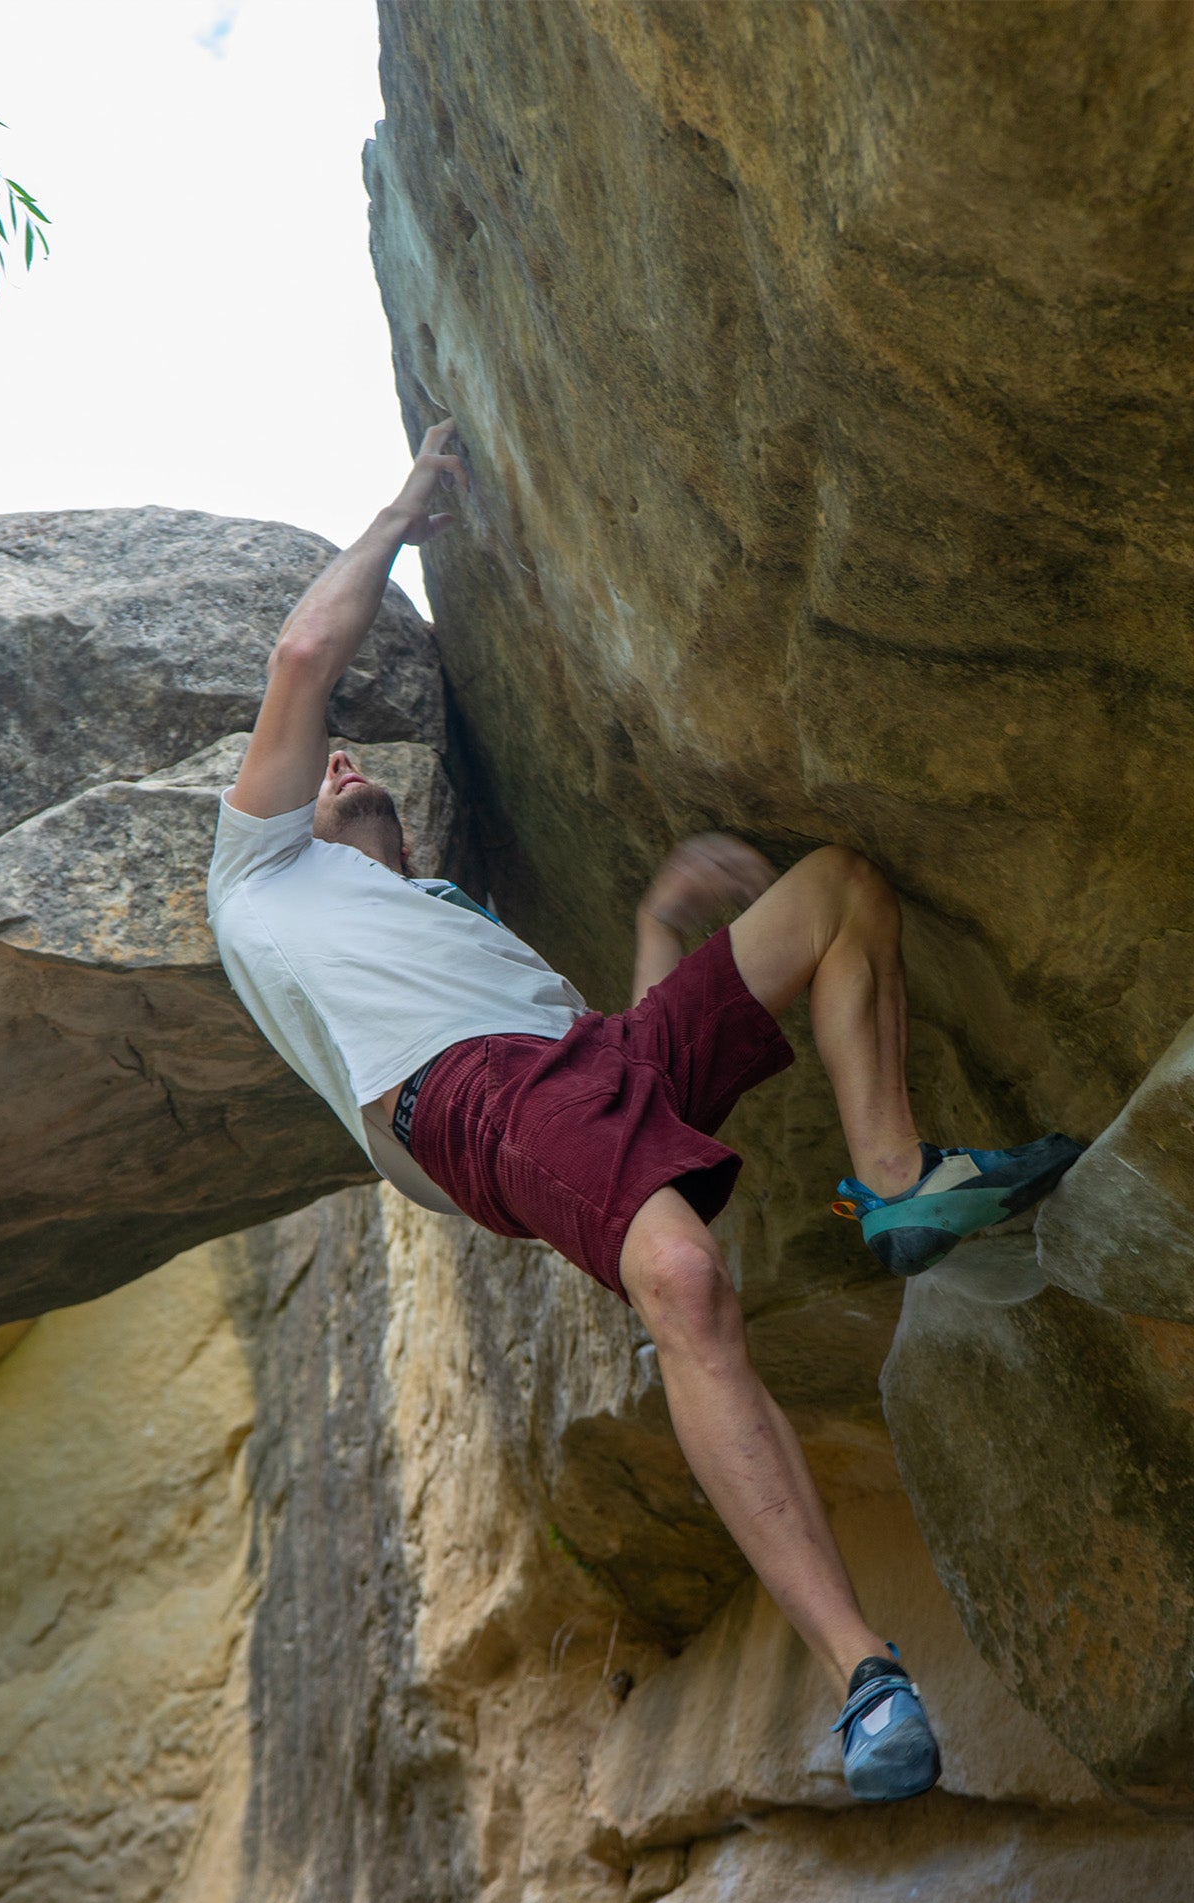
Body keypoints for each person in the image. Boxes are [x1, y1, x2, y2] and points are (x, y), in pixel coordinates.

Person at [206, 422, 1082, 1803]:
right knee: (682, 1274)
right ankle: (865, 1678)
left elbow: (624, 1089)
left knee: (837, 892)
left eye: (350, 771)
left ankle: (900, 1177)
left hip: (568, 1061)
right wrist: (400, 511)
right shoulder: (255, 885)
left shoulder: (447, 922)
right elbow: (305, 659)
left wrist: (662, 920)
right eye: (319, 781)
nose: (337, 771)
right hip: (470, 1096)